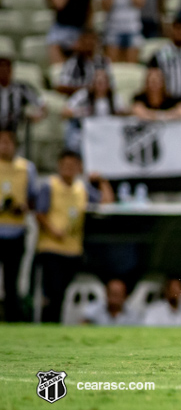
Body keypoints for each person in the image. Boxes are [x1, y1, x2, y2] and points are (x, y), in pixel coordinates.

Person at [35, 150, 114, 323]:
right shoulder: (50, 185)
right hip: (51, 248)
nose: (68, 169)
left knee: (64, 293)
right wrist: (52, 230)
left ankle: (57, 325)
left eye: (72, 166)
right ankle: (48, 325)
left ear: (79, 168)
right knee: (52, 293)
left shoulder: (82, 188)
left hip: (73, 249)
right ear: (58, 166)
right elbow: (39, 213)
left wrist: (102, 181)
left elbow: (106, 202)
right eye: (65, 165)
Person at [0, 130, 36, 322]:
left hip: (16, 231)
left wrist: (22, 207)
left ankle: (12, 320)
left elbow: (33, 200)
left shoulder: (26, 168)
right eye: (1, 142)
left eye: (8, 142)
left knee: (12, 281)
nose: (4, 145)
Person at [62, 69, 126, 152]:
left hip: (107, 132)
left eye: (103, 83)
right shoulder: (83, 95)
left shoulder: (115, 98)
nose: (100, 86)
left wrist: (120, 114)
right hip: (86, 132)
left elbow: (125, 114)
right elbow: (65, 112)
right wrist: (81, 112)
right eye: (98, 82)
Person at [148, 19, 181, 109]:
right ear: (171, 31)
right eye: (176, 29)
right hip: (166, 98)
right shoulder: (160, 54)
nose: (179, 32)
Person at [56, 30, 115, 96]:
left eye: (91, 41)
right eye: (85, 41)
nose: (88, 44)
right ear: (79, 43)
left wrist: (99, 88)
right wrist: (87, 90)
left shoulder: (103, 61)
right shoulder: (72, 63)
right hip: (78, 100)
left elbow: (111, 86)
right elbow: (61, 87)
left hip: (99, 99)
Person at [0, 56, 45, 132]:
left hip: (17, 128)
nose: (4, 72)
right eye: (1, 69)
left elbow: (40, 104)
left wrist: (37, 115)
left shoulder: (21, 88)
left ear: (11, 71)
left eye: (7, 69)